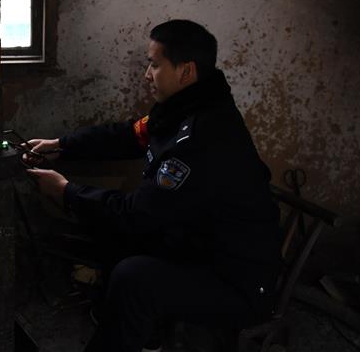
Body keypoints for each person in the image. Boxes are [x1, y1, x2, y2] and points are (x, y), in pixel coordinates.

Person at [24, 19, 281, 352]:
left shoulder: (199, 138)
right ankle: (141, 328)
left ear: (185, 71)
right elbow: (129, 136)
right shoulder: (183, 108)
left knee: (134, 277)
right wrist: (63, 144)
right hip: (202, 244)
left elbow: (136, 214)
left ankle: (134, 333)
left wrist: (65, 191)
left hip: (235, 280)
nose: (147, 74)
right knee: (115, 239)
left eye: (155, 65)